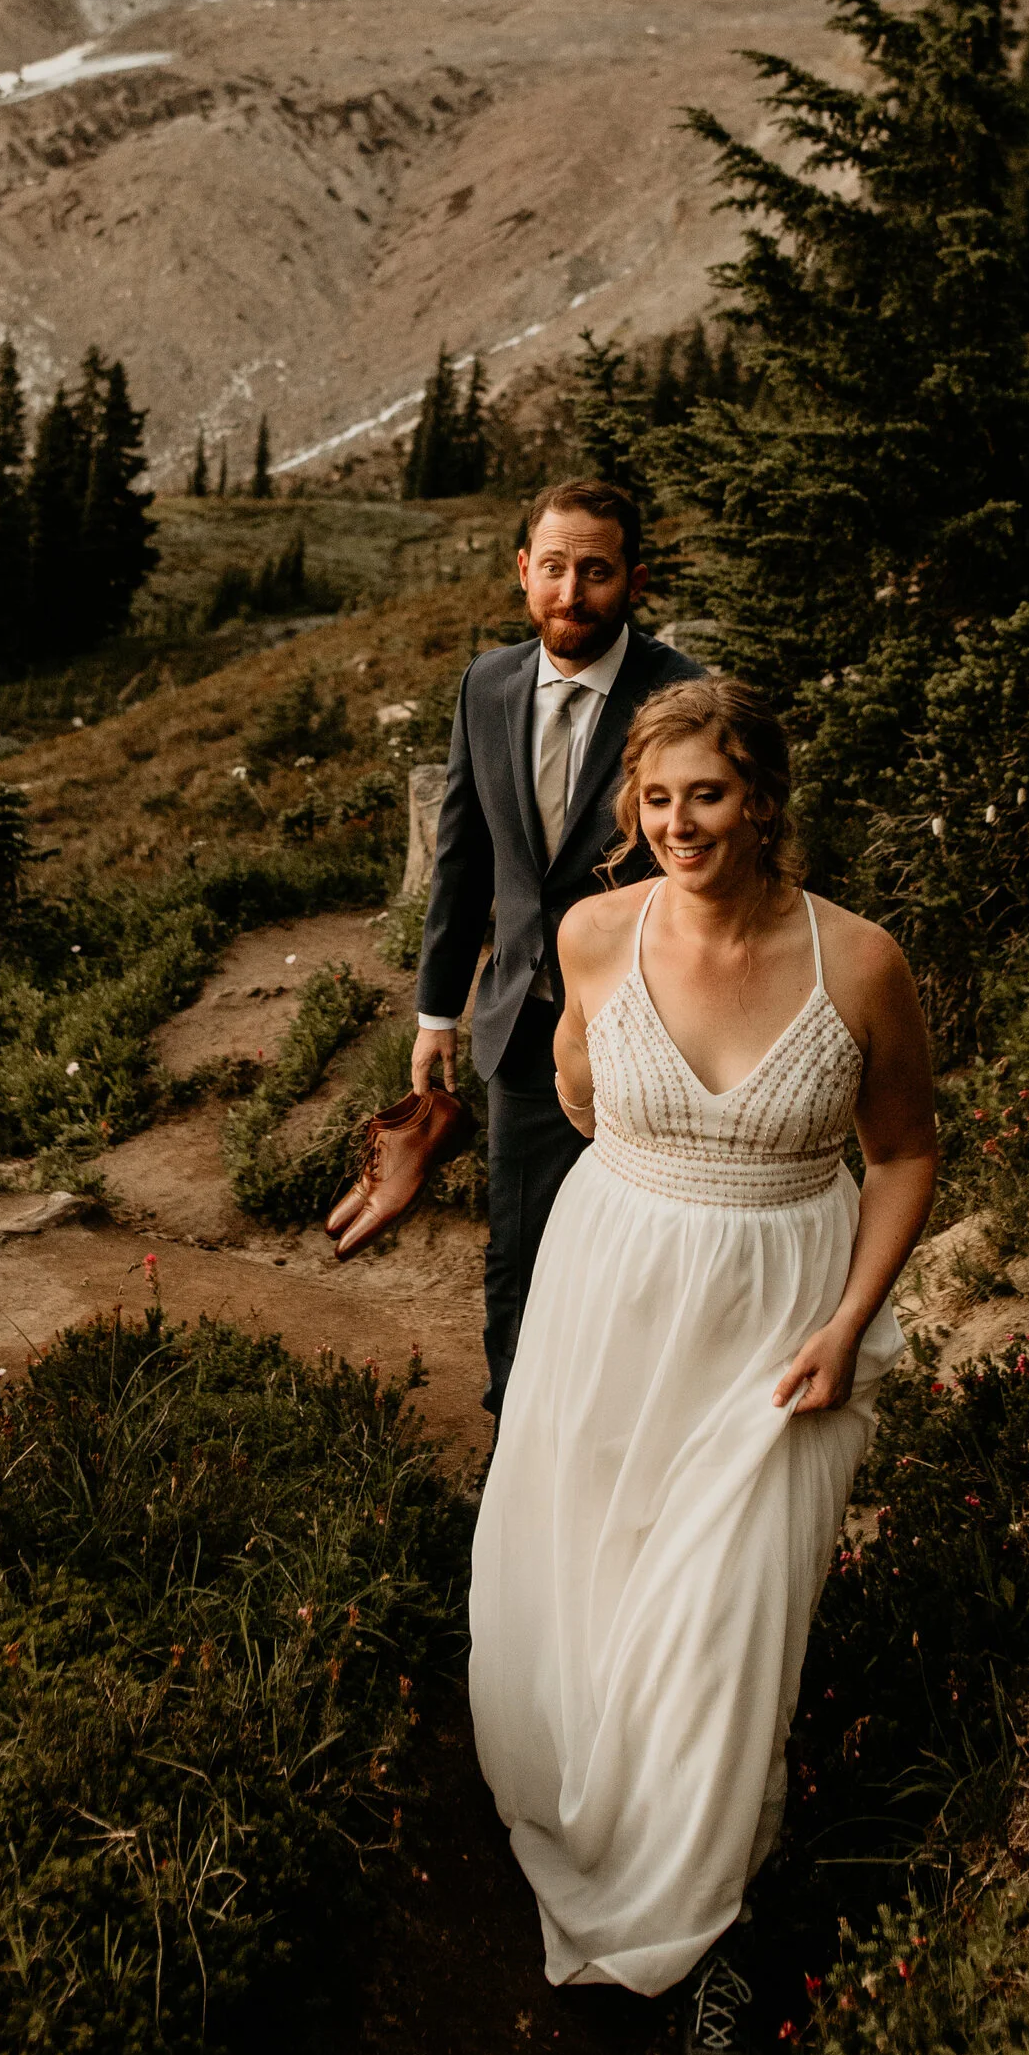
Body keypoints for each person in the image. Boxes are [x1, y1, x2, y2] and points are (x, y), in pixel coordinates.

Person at [468, 675, 938, 2055]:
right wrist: (660, 1204)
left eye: (709, 796)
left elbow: (910, 1151)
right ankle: (608, 1830)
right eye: (656, 800)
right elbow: (578, 1091)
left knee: (732, 1617)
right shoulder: (595, 932)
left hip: (782, 1325)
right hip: (610, 1297)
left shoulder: (860, 962)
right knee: (600, 1585)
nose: (679, 823)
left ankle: (721, 1933)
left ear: (767, 801)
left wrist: (850, 1320)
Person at [406, 481, 704, 1417]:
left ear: (635, 580)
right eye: (554, 568)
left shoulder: (684, 692)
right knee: (520, 1252)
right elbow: (463, 859)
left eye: (597, 571)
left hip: (656, 1032)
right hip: (525, 1029)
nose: (572, 592)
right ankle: (517, 1449)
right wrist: (436, 1012)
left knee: (644, 1260)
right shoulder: (486, 685)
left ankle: (626, 1446)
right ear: (522, 571)